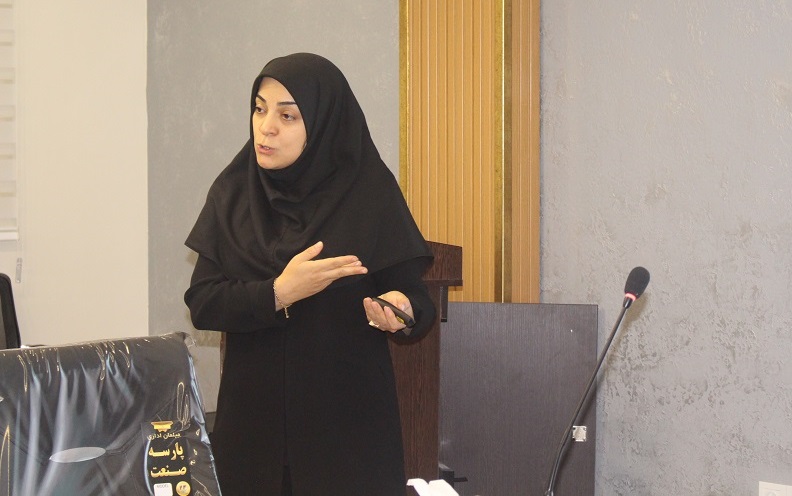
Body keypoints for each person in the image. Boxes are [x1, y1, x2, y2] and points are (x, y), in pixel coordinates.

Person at [184, 52, 436, 496]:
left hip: (347, 435)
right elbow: (203, 303)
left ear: (323, 124)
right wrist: (278, 293)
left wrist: (401, 309)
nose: (266, 127)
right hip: (253, 433)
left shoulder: (369, 193)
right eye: (259, 109)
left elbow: (416, 299)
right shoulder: (234, 192)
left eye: (287, 116)